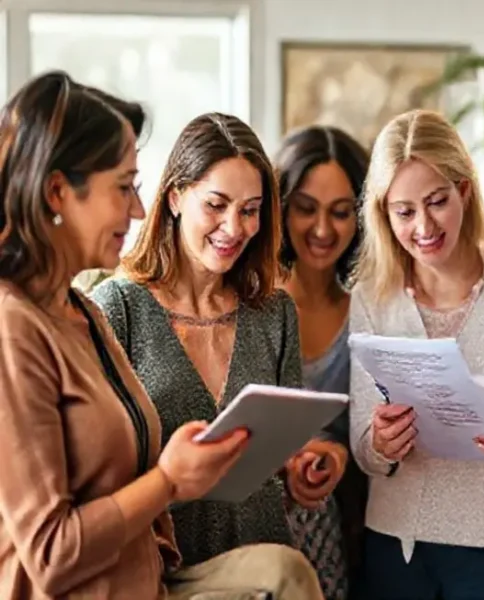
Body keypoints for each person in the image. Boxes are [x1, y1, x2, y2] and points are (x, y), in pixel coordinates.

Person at [0, 71, 321, 599]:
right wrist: (169, 481)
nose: (137, 209)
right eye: (124, 187)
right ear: (58, 191)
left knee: (285, 573)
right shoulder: (23, 326)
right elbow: (51, 553)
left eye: (251, 210)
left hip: (151, 582)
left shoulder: (82, 314)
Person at [91, 113, 346, 578]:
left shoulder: (274, 313)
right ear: (174, 198)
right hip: (161, 568)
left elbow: (288, 446)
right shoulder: (117, 308)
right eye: (216, 204)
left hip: (263, 564)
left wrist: (302, 466)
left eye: (250, 210)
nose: (234, 227)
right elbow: (96, 469)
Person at [348, 109, 484, 599]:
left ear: (465, 191)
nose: (423, 226)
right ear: (383, 213)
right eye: (404, 211)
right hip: (396, 539)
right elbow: (364, 449)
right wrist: (380, 444)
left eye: (437, 202)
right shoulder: (372, 297)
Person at [274, 125, 370, 600]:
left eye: (341, 213)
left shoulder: (368, 313)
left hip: (344, 514)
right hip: (264, 511)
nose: (322, 230)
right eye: (306, 209)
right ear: (281, 208)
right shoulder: (258, 307)